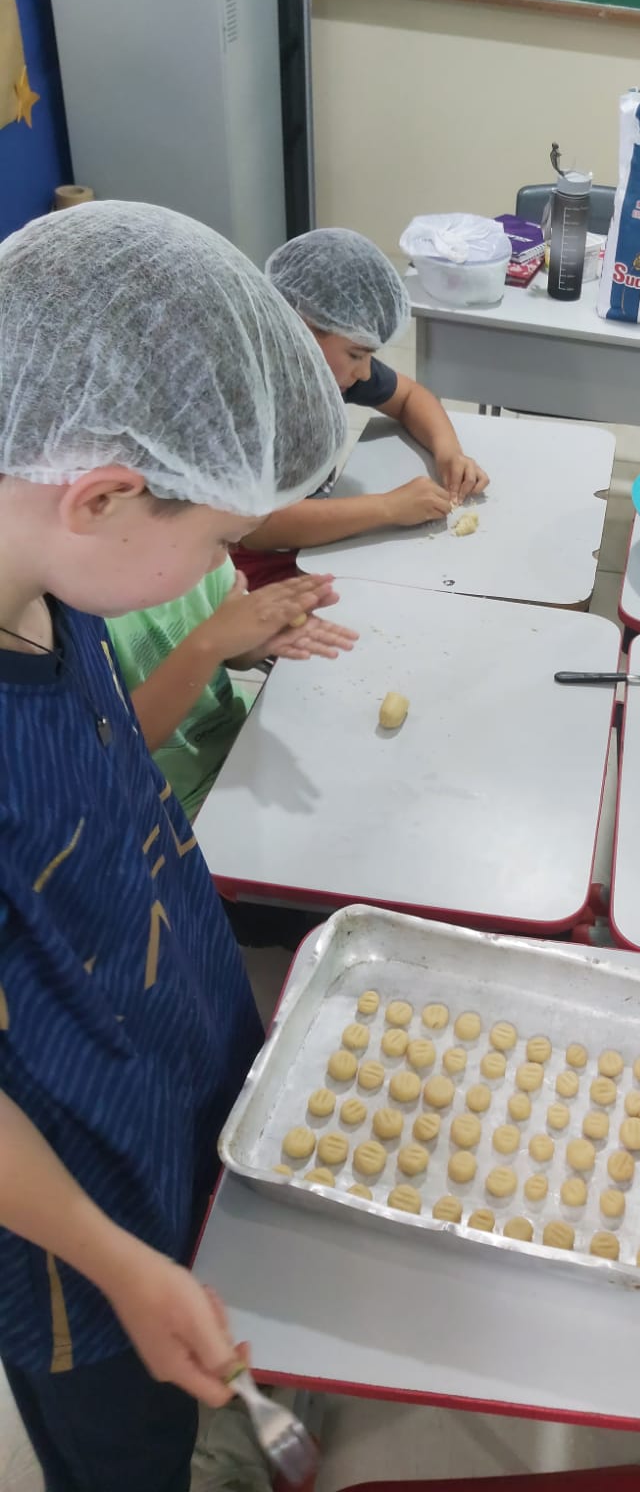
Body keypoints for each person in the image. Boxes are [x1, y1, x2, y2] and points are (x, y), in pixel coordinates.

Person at [0, 199, 345, 1492]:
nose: (225, 569)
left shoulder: (43, 581)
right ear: (103, 495)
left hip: (166, 1073)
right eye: (214, 544)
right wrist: (116, 1262)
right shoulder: (54, 563)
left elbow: (83, 776)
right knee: (125, 1451)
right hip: (67, 1230)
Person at [234, 226, 489, 589]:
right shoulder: (249, 395)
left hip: (316, 542)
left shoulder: (326, 369)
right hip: (248, 571)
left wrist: (448, 453)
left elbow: (411, 397)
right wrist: (388, 508)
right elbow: (257, 527)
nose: (365, 371)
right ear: (299, 326)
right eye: (356, 354)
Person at [107, 562, 356, 822]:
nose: (221, 558)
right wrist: (208, 644)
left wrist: (258, 640)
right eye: (220, 539)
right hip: (172, 803)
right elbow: (116, 749)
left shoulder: (203, 556)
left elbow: (235, 658)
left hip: (241, 739)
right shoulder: (87, 620)